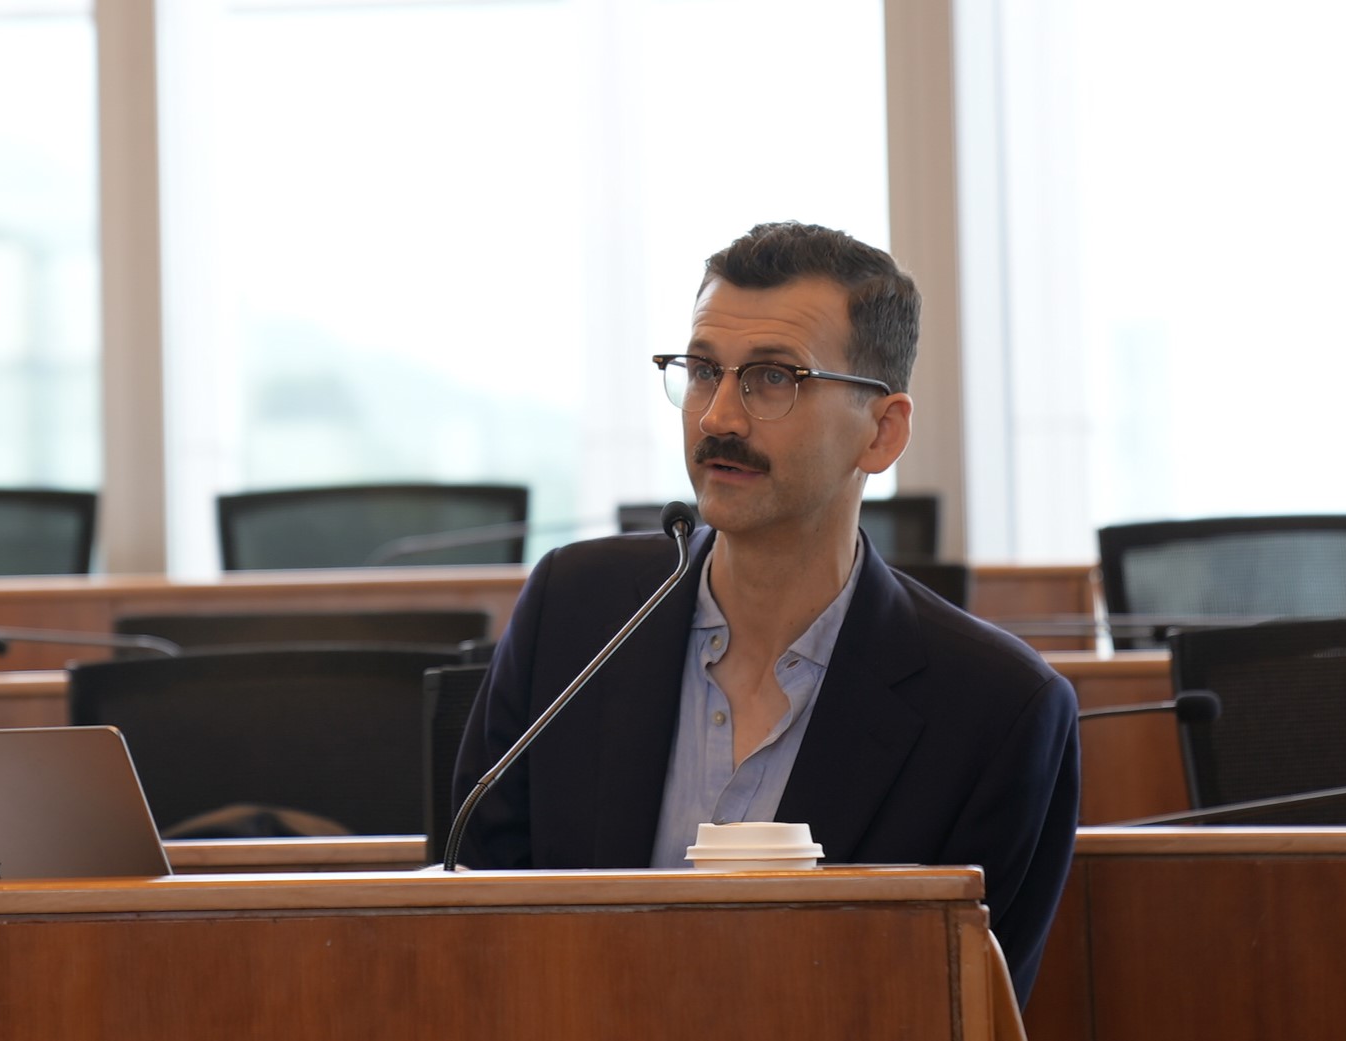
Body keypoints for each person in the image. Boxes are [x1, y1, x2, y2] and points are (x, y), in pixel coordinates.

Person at [452, 221, 1079, 1005]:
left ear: (882, 432)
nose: (719, 417)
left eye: (773, 378)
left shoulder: (997, 710)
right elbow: (468, 930)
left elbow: (961, 1008)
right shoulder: (573, 614)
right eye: (702, 370)